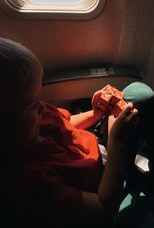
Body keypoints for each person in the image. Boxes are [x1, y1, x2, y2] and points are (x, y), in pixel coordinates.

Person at [0, 37, 139, 228]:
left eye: (39, 97)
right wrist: (118, 144)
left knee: (138, 92)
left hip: (97, 145)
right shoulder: (28, 181)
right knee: (141, 105)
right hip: (103, 183)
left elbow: (66, 123)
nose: (42, 106)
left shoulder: (34, 117)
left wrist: (97, 113)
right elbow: (103, 208)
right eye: (32, 105)